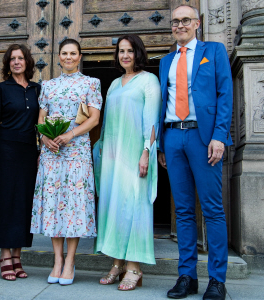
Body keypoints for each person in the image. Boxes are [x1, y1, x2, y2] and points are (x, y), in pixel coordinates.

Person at [158, 5, 233, 300]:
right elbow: (161, 102)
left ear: (197, 23)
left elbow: (225, 94)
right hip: (173, 137)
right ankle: (187, 276)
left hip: (204, 138)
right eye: (175, 21)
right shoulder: (165, 61)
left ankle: (217, 280)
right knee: (184, 211)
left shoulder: (213, 51)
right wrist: (162, 144)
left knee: (212, 210)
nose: (180, 25)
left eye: (185, 20)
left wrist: (219, 137)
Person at [30, 38, 102, 285]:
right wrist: (44, 137)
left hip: (77, 151)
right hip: (52, 152)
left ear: (80, 56)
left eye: (73, 53)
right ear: (58, 57)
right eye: (64, 53)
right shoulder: (47, 85)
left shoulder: (91, 83)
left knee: (73, 204)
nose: (68, 57)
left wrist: (70, 134)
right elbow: (41, 116)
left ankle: (70, 261)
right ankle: (57, 260)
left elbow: (93, 119)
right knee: (53, 203)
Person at [93, 34, 162, 291]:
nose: (124, 55)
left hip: (135, 153)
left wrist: (146, 151)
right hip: (113, 156)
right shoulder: (113, 84)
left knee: (135, 207)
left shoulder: (149, 80)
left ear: (138, 53)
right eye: (121, 51)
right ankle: (117, 262)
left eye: (129, 51)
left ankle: (134, 266)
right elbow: (107, 121)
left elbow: (152, 121)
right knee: (115, 208)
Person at [0, 44, 40, 281]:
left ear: (28, 62)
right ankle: (5, 256)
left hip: (29, 153)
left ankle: (18, 256)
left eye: (20, 58)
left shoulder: (38, 89)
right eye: (12, 59)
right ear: (8, 63)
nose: (16, 62)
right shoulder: (1, 89)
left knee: (24, 204)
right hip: (6, 152)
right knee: (7, 203)